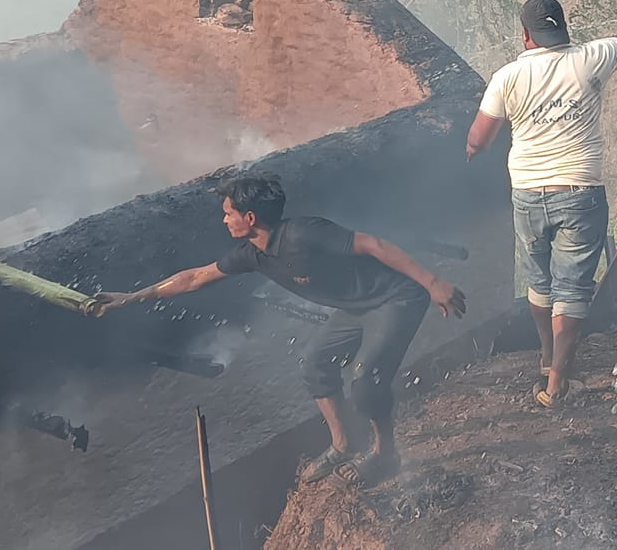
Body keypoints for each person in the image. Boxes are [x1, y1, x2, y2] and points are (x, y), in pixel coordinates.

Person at [92, 173, 466, 486]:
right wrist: (131, 297)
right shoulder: (251, 254)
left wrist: (432, 282)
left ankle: (386, 455)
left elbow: (374, 244)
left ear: (250, 217)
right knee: (313, 363)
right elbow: (192, 278)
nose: (224, 220)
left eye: (228, 213)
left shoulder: (304, 233)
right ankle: (343, 444)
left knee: (365, 381)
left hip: (395, 297)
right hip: (353, 308)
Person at [467, 0, 617, 408]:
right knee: (572, 287)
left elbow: (479, 139)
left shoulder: (507, 76)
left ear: (526, 35)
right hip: (579, 190)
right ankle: (558, 378)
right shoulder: (593, 57)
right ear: (563, 27)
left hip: (528, 192)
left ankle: (548, 357)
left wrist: (473, 154)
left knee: (540, 281)